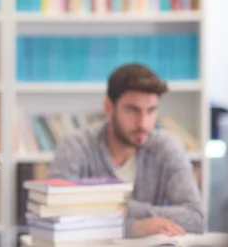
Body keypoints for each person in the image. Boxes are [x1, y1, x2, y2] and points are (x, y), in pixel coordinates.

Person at [47, 63, 205, 238]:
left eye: (151, 111)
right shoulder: (75, 147)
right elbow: (54, 218)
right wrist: (135, 228)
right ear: (109, 108)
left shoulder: (167, 147)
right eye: (132, 110)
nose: (143, 123)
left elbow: (195, 218)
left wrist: (128, 210)